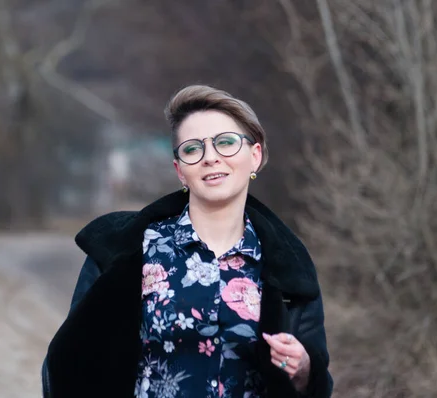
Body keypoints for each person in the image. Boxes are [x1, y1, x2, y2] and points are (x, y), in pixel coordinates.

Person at [42, 85, 333, 397]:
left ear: (255, 156)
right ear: (180, 170)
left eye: (226, 143)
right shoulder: (129, 251)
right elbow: (66, 366)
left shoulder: (287, 267)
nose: (210, 158)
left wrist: (303, 371)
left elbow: (312, 382)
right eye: (193, 149)